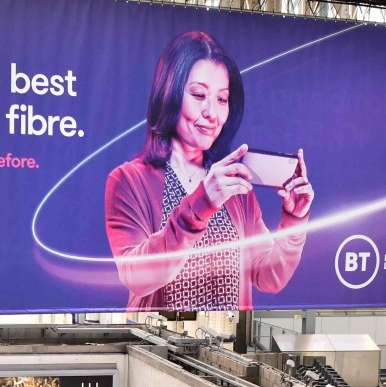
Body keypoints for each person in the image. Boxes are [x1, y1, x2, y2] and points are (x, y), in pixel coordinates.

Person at [105, 31, 313, 311]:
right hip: (155, 343)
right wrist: (201, 204)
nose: (212, 113)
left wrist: (294, 220)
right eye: (199, 95)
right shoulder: (129, 180)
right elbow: (137, 277)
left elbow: (268, 277)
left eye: (222, 99)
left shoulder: (233, 184)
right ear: (170, 94)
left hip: (228, 343)